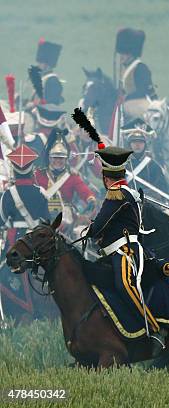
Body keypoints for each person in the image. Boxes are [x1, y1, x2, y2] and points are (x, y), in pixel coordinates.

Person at [86, 143, 169, 353]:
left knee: (125, 285)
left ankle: (154, 330)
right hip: (117, 250)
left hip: (125, 251)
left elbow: (100, 224)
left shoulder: (116, 194)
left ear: (106, 177)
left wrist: (90, 230)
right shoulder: (124, 192)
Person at [0, 145, 50, 318]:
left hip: (16, 241)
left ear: (14, 169)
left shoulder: (7, 195)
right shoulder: (41, 192)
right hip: (38, 240)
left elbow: (2, 221)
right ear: (32, 170)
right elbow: (47, 221)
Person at [34, 128, 96, 228]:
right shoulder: (39, 174)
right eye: (55, 157)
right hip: (42, 215)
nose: (58, 161)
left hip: (65, 217)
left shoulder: (71, 176)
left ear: (66, 159)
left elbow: (83, 190)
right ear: (49, 158)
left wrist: (90, 199)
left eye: (61, 158)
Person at [122, 119, 169, 200]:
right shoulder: (122, 164)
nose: (137, 145)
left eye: (140, 142)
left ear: (145, 144)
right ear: (129, 144)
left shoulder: (153, 166)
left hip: (149, 204)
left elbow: (164, 190)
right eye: (134, 142)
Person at [115, 28, 157, 121]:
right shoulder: (125, 70)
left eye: (124, 54)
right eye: (121, 53)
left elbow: (142, 91)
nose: (121, 56)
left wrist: (125, 97)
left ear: (131, 54)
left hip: (142, 103)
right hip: (130, 103)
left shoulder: (140, 68)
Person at [32, 39, 64, 105]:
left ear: (47, 65)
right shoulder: (43, 79)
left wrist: (34, 106)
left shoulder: (52, 80)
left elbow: (50, 104)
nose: (38, 65)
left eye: (40, 62)